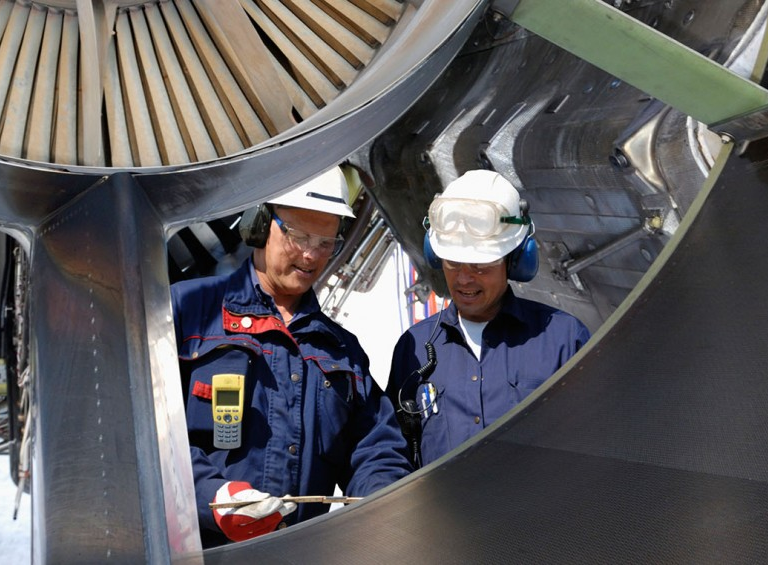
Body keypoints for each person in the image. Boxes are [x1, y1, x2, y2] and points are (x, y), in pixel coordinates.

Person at [170, 167, 412, 548]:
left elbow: (376, 449)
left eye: (326, 242)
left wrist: (378, 506)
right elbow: (145, 436)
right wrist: (212, 497)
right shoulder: (186, 312)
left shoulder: (342, 352)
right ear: (259, 224)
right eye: (299, 237)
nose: (311, 255)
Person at [387, 169, 591, 467]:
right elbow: (391, 453)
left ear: (514, 259)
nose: (464, 279)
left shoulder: (564, 340)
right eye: (453, 263)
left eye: (480, 265)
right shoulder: (413, 348)